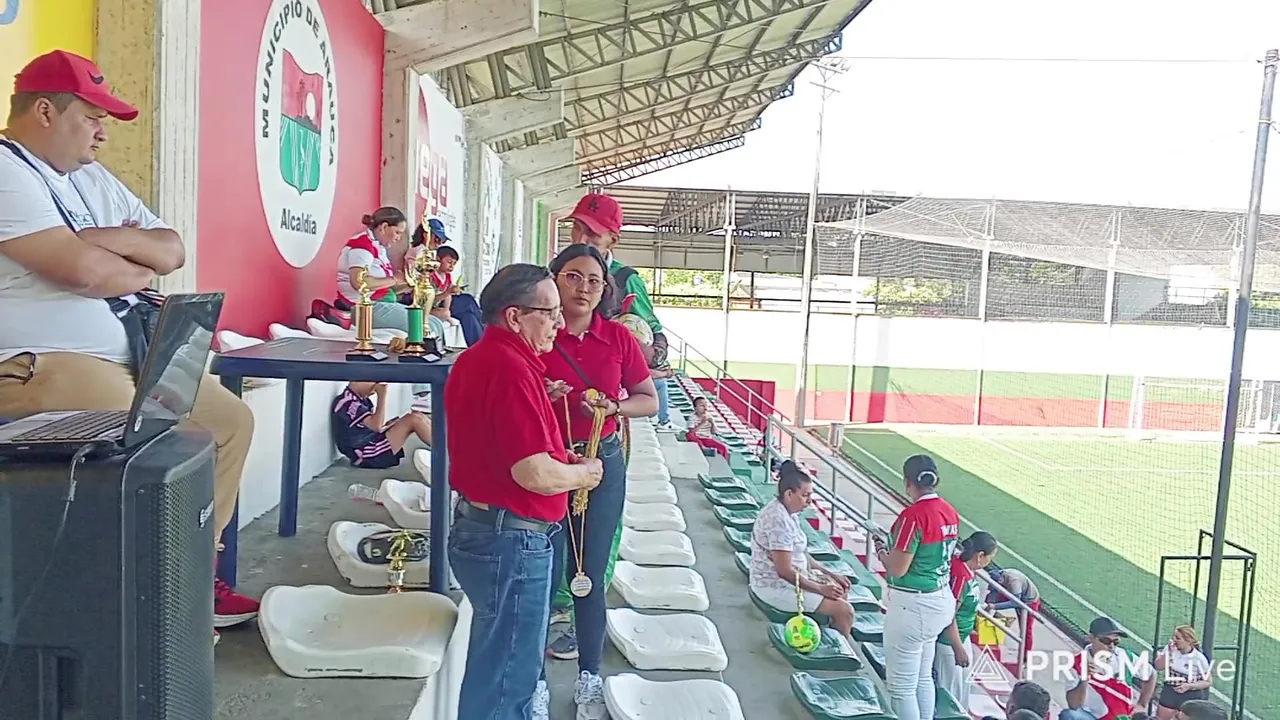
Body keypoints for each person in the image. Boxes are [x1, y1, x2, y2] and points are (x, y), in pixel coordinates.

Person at [0, 50, 258, 645]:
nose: (103, 131)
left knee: (230, 423)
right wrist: (126, 263)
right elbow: (84, 273)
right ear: (45, 111)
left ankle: (188, 580)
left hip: (132, 355)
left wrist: (100, 240)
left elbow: (171, 250)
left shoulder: (90, 178)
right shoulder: (7, 169)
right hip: (41, 363)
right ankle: (141, 604)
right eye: (92, 117)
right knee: (152, 445)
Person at [445, 263, 603, 720]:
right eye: (549, 312)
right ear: (515, 317)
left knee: (498, 666)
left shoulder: (482, 359)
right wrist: (584, 474)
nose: (559, 322)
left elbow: (501, 449)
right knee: (508, 680)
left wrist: (562, 459)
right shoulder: (510, 368)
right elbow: (533, 473)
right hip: (511, 539)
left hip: (490, 529)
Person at [538, 243, 657, 720]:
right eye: (573, 276)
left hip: (599, 463)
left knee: (587, 571)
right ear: (554, 279)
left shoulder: (617, 338)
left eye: (594, 280)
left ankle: (589, 675)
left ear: (604, 288)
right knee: (542, 571)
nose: (583, 288)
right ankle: (535, 680)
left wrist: (614, 407)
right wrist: (540, 393)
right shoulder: (538, 331)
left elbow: (648, 399)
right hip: (544, 463)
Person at [567, 193, 676, 431]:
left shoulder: (627, 280)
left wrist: (650, 357)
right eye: (576, 227)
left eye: (593, 233)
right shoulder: (554, 273)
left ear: (613, 240)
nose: (580, 239)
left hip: (602, 405)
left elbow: (655, 334)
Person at [873, 454, 961, 720]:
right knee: (922, 677)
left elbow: (897, 567)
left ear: (907, 482)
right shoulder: (950, 511)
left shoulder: (912, 517)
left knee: (901, 688)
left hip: (913, 607)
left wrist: (881, 551)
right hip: (939, 600)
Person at [749, 461, 856, 639]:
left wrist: (830, 574)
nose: (809, 500)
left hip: (795, 578)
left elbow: (801, 554)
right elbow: (784, 571)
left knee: (840, 589)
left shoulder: (790, 513)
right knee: (845, 611)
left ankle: (830, 636)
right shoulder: (778, 520)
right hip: (774, 587)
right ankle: (839, 648)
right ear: (789, 494)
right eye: (805, 495)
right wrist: (820, 588)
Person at [936, 531, 999, 709]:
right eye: (990, 558)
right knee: (950, 694)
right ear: (980, 556)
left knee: (961, 689)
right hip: (950, 643)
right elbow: (949, 615)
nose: (990, 562)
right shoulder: (961, 575)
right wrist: (958, 648)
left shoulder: (966, 570)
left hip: (961, 638)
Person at [1061, 616, 1157, 720]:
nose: (1111, 646)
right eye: (1106, 641)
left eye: (1116, 642)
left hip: (1122, 717)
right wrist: (1084, 678)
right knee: (1069, 715)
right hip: (1092, 717)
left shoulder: (1125, 657)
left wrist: (1142, 704)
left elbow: (1151, 674)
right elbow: (1074, 705)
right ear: (1091, 638)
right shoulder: (1075, 663)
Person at [408, 218, 483, 345]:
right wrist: (447, 297)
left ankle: (481, 345)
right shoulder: (420, 252)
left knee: (468, 315)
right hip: (425, 300)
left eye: (442, 241)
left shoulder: (431, 255)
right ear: (426, 234)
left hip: (438, 300)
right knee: (467, 302)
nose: (439, 244)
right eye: (437, 239)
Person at [330, 381, 431, 469]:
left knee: (417, 415)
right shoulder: (348, 403)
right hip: (366, 454)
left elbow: (369, 429)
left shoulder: (361, 400)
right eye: (374, 382)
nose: (374, 389)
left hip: (368, 444)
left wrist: (387, 427)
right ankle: (441, 451)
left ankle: (440, 444)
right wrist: (382, 395)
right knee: (414, 419)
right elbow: (376, 426)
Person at [1153, 625, 1212, 719]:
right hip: (1170, 691)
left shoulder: (1199, 658)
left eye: (1178, 638)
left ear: (1188, 641)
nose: (1173, 640)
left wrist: (1189, 686)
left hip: (1190, 696)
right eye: (1173, 636)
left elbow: (1208, 681)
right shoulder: (1169, 649)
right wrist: (1169, 653)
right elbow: (1158, 666)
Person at [987, 567, 1042, 653]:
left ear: (1001, 580)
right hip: (1015, 594)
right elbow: (993, 593)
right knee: (991, 599)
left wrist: (994, 606)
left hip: (1029, 602)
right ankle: (984, 622)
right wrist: (988, 605)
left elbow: (1015, 602)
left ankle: (1025, 656)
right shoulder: (999, 575)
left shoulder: (1014, 581)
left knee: (1025, 630)